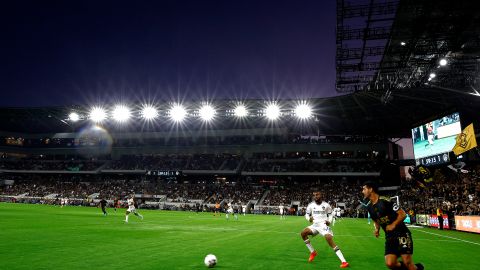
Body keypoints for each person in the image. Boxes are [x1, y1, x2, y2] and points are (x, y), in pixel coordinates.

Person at [362, 181, 423, 270]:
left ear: (371, 189)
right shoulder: (369, 207)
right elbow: (376, 220)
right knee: (390, 263)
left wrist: (393, 225)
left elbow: (402, 214)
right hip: (390, 236)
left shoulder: (385, 201)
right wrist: (377, 229)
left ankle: (417, 268)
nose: (362, 191)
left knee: (407, 262)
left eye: (364, 189)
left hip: (402, 233)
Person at [300, 190, 349, 268]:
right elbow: (307, 215)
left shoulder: (326, 205)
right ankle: (313, 252)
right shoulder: (311, 205)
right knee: (303, 233)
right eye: (314, 195)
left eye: (317, 194)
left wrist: (329, 221)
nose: (315, 196)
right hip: (315, 225)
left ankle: (344, 262)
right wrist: (309, 219)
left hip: (323, 225)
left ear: (321, 195)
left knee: (328, 238)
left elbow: (330, 215)